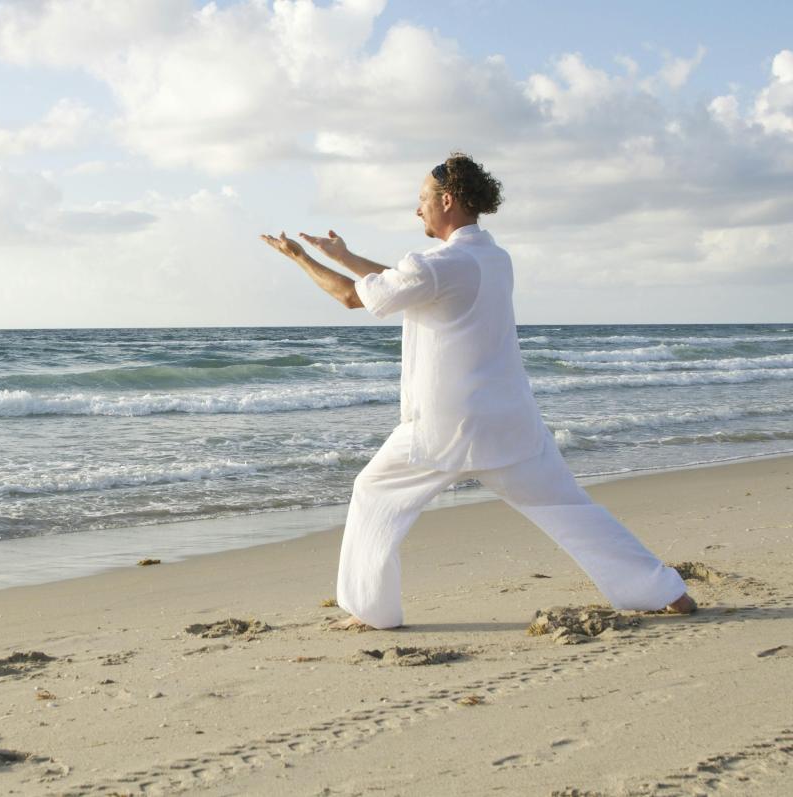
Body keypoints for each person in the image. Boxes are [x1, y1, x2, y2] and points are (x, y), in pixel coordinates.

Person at [260, 151, 696, 630]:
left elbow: (352, 296)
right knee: (570, 509)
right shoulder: (491, 257)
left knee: (372, 493)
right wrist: (344, 255)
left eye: (422, 198)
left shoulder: (436, 266)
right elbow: (414, 281)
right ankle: (664, 590)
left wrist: (300, 258)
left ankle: (372, 611)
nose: (417, 209)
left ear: (446, 200)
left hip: (446, 427)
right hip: (511, 422)